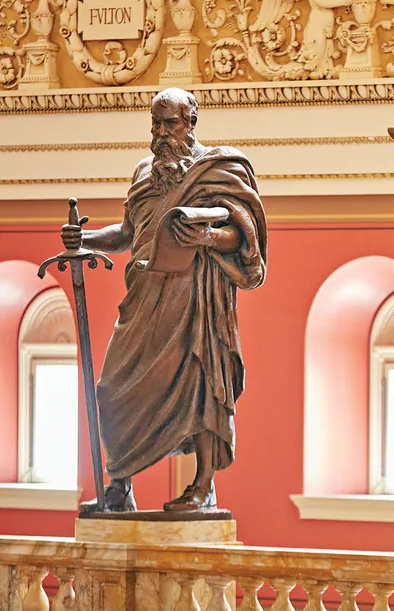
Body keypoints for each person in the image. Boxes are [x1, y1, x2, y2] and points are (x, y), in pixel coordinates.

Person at [61, 87, 267, 512]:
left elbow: (245, 236)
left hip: (196, 300)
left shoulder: (220, 169)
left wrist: (209, 236)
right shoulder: (143, 172)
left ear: (191, 122)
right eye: (155, 123)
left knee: (204, 385)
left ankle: (203, 486)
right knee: (113, 389)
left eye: (169, 123)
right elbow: (126, 233)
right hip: (144, 298)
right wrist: (84, 239)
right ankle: (118, 486)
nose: (160, 133)